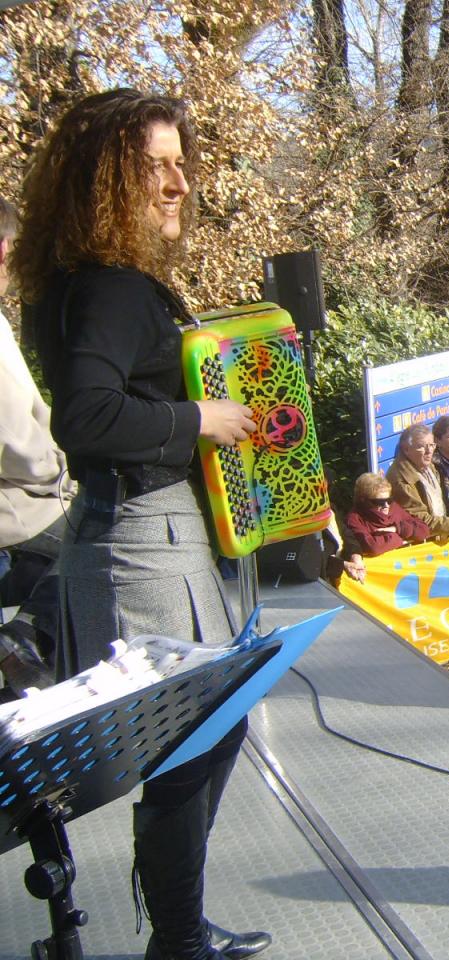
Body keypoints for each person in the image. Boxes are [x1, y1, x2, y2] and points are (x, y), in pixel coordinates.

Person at [13, 89, 269, 960]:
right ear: (106, 182)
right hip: (145, 543)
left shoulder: (87, 285)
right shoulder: (115, 288)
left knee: (202, 734)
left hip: (139, 536)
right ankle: (179, 941)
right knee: (191, 743)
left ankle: (179, 931)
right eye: (153, 166)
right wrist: (201, 420)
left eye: (179, 162)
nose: (179, 182)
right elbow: (84, 417)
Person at [0, 195, 69, 694]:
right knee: (106, 530)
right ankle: (23, 635)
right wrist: (66, 471)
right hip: (12, 513)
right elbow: (16, 442)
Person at [386, 424, 449, 542]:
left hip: (438, 537)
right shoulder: (401, 480)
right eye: (421, 446)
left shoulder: (428, 466)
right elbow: (421, 521)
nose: (429, 451)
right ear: (406, 449)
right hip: (419, 546)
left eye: (432, 445)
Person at [345, 472, 433, 557]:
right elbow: (373, 547)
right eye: (380, 502)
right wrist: (400, 537)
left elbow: (424, 530)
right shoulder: (354, 519)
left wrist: (397, 529)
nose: (386, 505)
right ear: (364, 500)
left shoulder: (394, 508)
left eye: (389, 500)